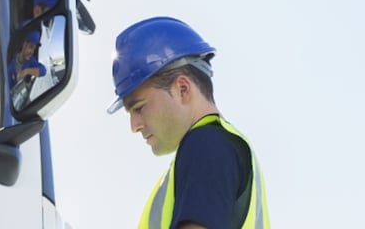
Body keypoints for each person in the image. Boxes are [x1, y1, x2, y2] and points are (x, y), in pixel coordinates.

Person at [107, 17, 271, 229]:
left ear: (182, 89)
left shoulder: (207, 145)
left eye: (139, 108)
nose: (134, 125)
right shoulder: (217, 148)